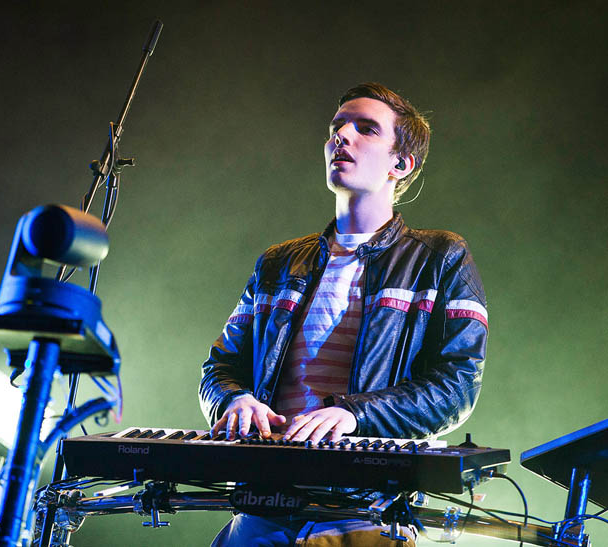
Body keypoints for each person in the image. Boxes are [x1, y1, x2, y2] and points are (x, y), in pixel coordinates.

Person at [199, 82, 488, 545]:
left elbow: (456, 385)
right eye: (336, 127)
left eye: (366, 129)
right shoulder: (278, 262)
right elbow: (220, 366)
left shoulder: (440, 256)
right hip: (263, 507)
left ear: (401, 163)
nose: (342, 136)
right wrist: (234, 400)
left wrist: (355, 415)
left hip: (365, 513)